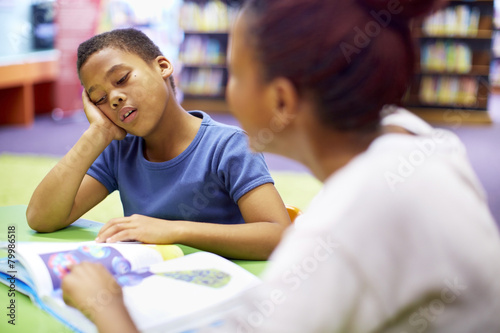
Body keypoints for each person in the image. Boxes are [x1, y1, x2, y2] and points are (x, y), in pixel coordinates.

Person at [61, 0, 500, 332]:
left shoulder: (337, 232)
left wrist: (105, 307)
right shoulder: (418, 138)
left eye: (233, 73)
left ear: (282, 101)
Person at [26, 28, 291, 261]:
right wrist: (97, 133)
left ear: (162, 66)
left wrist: (172, 230)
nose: (115, 98)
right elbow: (42, 218)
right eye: (100, 98)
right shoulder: (120, 150)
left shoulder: (228, 146)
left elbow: (278, 235)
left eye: (121, 80)